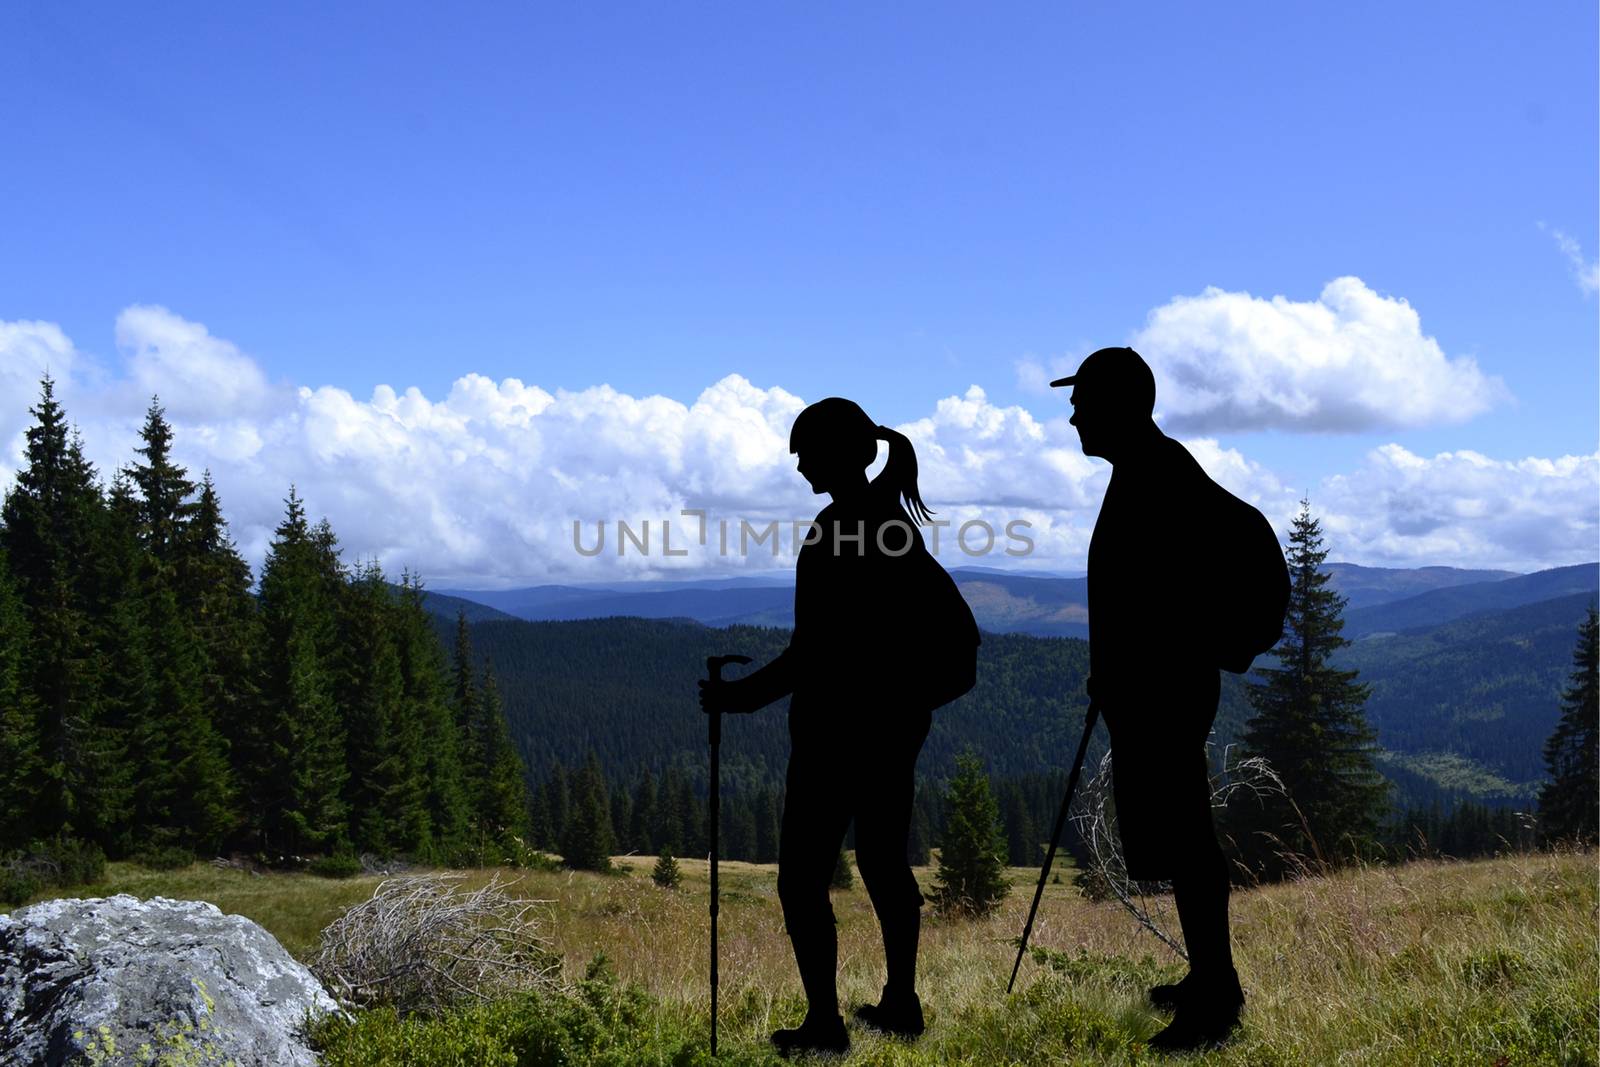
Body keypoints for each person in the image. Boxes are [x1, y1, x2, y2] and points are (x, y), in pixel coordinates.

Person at [699, 397, 979, 1058]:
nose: (799, 465)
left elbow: (810, 654)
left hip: (832, 739)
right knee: (883, 863)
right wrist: (908, 707)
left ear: (840, 453)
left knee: (801, 878)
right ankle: (900, 1005)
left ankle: (826, 1024)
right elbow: (957, 640)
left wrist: (735, 699)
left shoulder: (839, 531)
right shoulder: (886, 527)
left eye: (807, 452)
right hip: (886, 737)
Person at [1053, 347, 1246, 1052]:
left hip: (1164, 693)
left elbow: (1169, 597)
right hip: (1149, 689)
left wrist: (1141, 662)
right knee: (1181, 838)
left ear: (1117, 403)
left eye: (1082, 400)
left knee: (1188, 842)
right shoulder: (1145, 469)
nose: (1072, 413)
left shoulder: (1159, 475)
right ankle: (1207, 976)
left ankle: (1215, 1000)